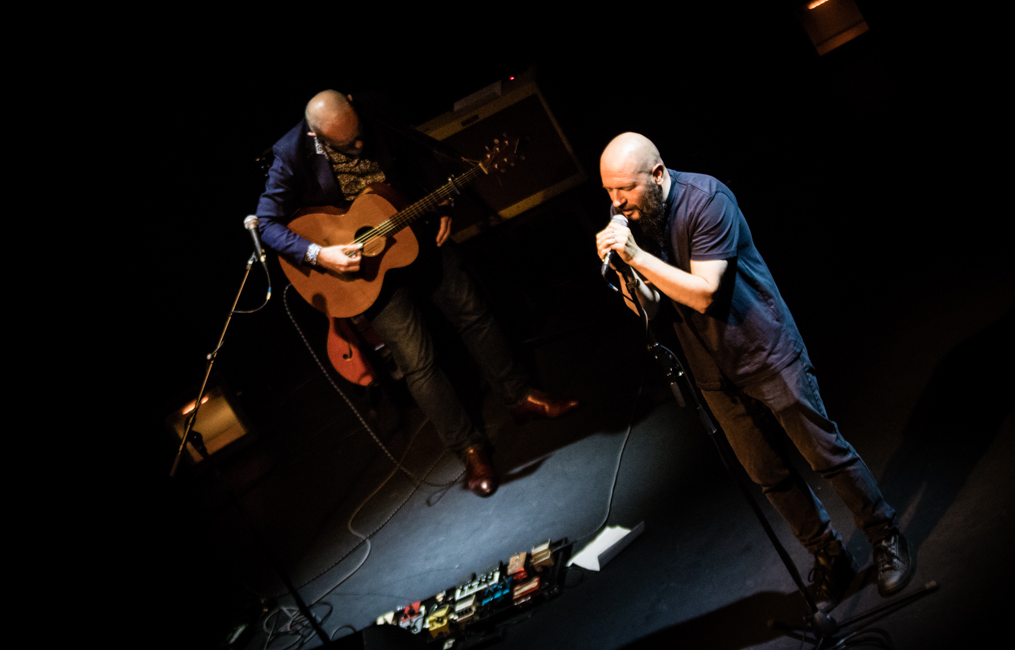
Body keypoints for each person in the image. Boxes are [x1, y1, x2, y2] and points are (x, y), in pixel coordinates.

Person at [594, 132, 913, 609]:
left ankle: (886, 535)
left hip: (765, 350)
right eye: (609, 193)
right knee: (770, 475)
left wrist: (637, 256)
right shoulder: (633, 221)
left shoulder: (707, 200)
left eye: (626, 189)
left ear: (657, 175)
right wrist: (624, 271)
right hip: (712, 371)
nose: (618, 203)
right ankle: (830, 557)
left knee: (825, 454)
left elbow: (705, 292)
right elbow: (653, 307)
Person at [257, 90, 578, 497]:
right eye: (345, 144)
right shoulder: (290, 153)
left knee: (475, 315)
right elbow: (266, 225)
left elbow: (418, 160)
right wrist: (320, 254)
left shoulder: (378, 110)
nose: (358, 146)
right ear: (318, 136)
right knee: (418, 361)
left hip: (416, 236)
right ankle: (470, 449)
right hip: (361, 272)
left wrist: (443, 204)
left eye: (358, 135)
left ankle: (520, 397)